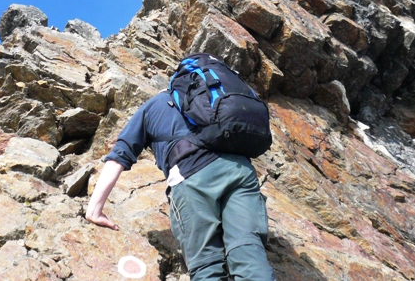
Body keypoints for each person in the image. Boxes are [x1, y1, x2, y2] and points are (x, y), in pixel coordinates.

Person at [85, 88, 276, 280]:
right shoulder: (216, 95)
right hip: (240, 171)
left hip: (193, 174)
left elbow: (120, 156)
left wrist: (94, 210)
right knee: (250, 255)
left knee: (207, 266)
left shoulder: (154, 105)